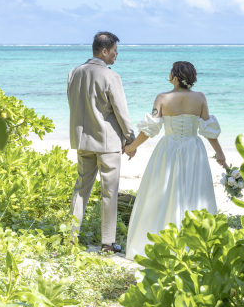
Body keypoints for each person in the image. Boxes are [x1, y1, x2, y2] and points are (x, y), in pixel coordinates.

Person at [122, 61, 227, 260]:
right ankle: (192, 246)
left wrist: (131, 147)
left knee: (162, 191)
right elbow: (208, 131)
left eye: (171, 72)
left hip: (168, 149)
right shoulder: (200, 98)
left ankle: (160, 241)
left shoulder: (162, 98)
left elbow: (149, 130)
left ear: (176, 77)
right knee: (193, 191)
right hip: (193, 150)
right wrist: (220, 154)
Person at [67, 31, 136, 253]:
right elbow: (121, 111)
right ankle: (107, 243)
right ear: (104, 51)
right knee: (109, 192)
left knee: (80, 189)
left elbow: (73, 104)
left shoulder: (74, 72)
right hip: (107, 143)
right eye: (115, 51)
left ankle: (70, 237)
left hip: (83, 140)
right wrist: (130, 138)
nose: (117, 55)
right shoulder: (110, 76)